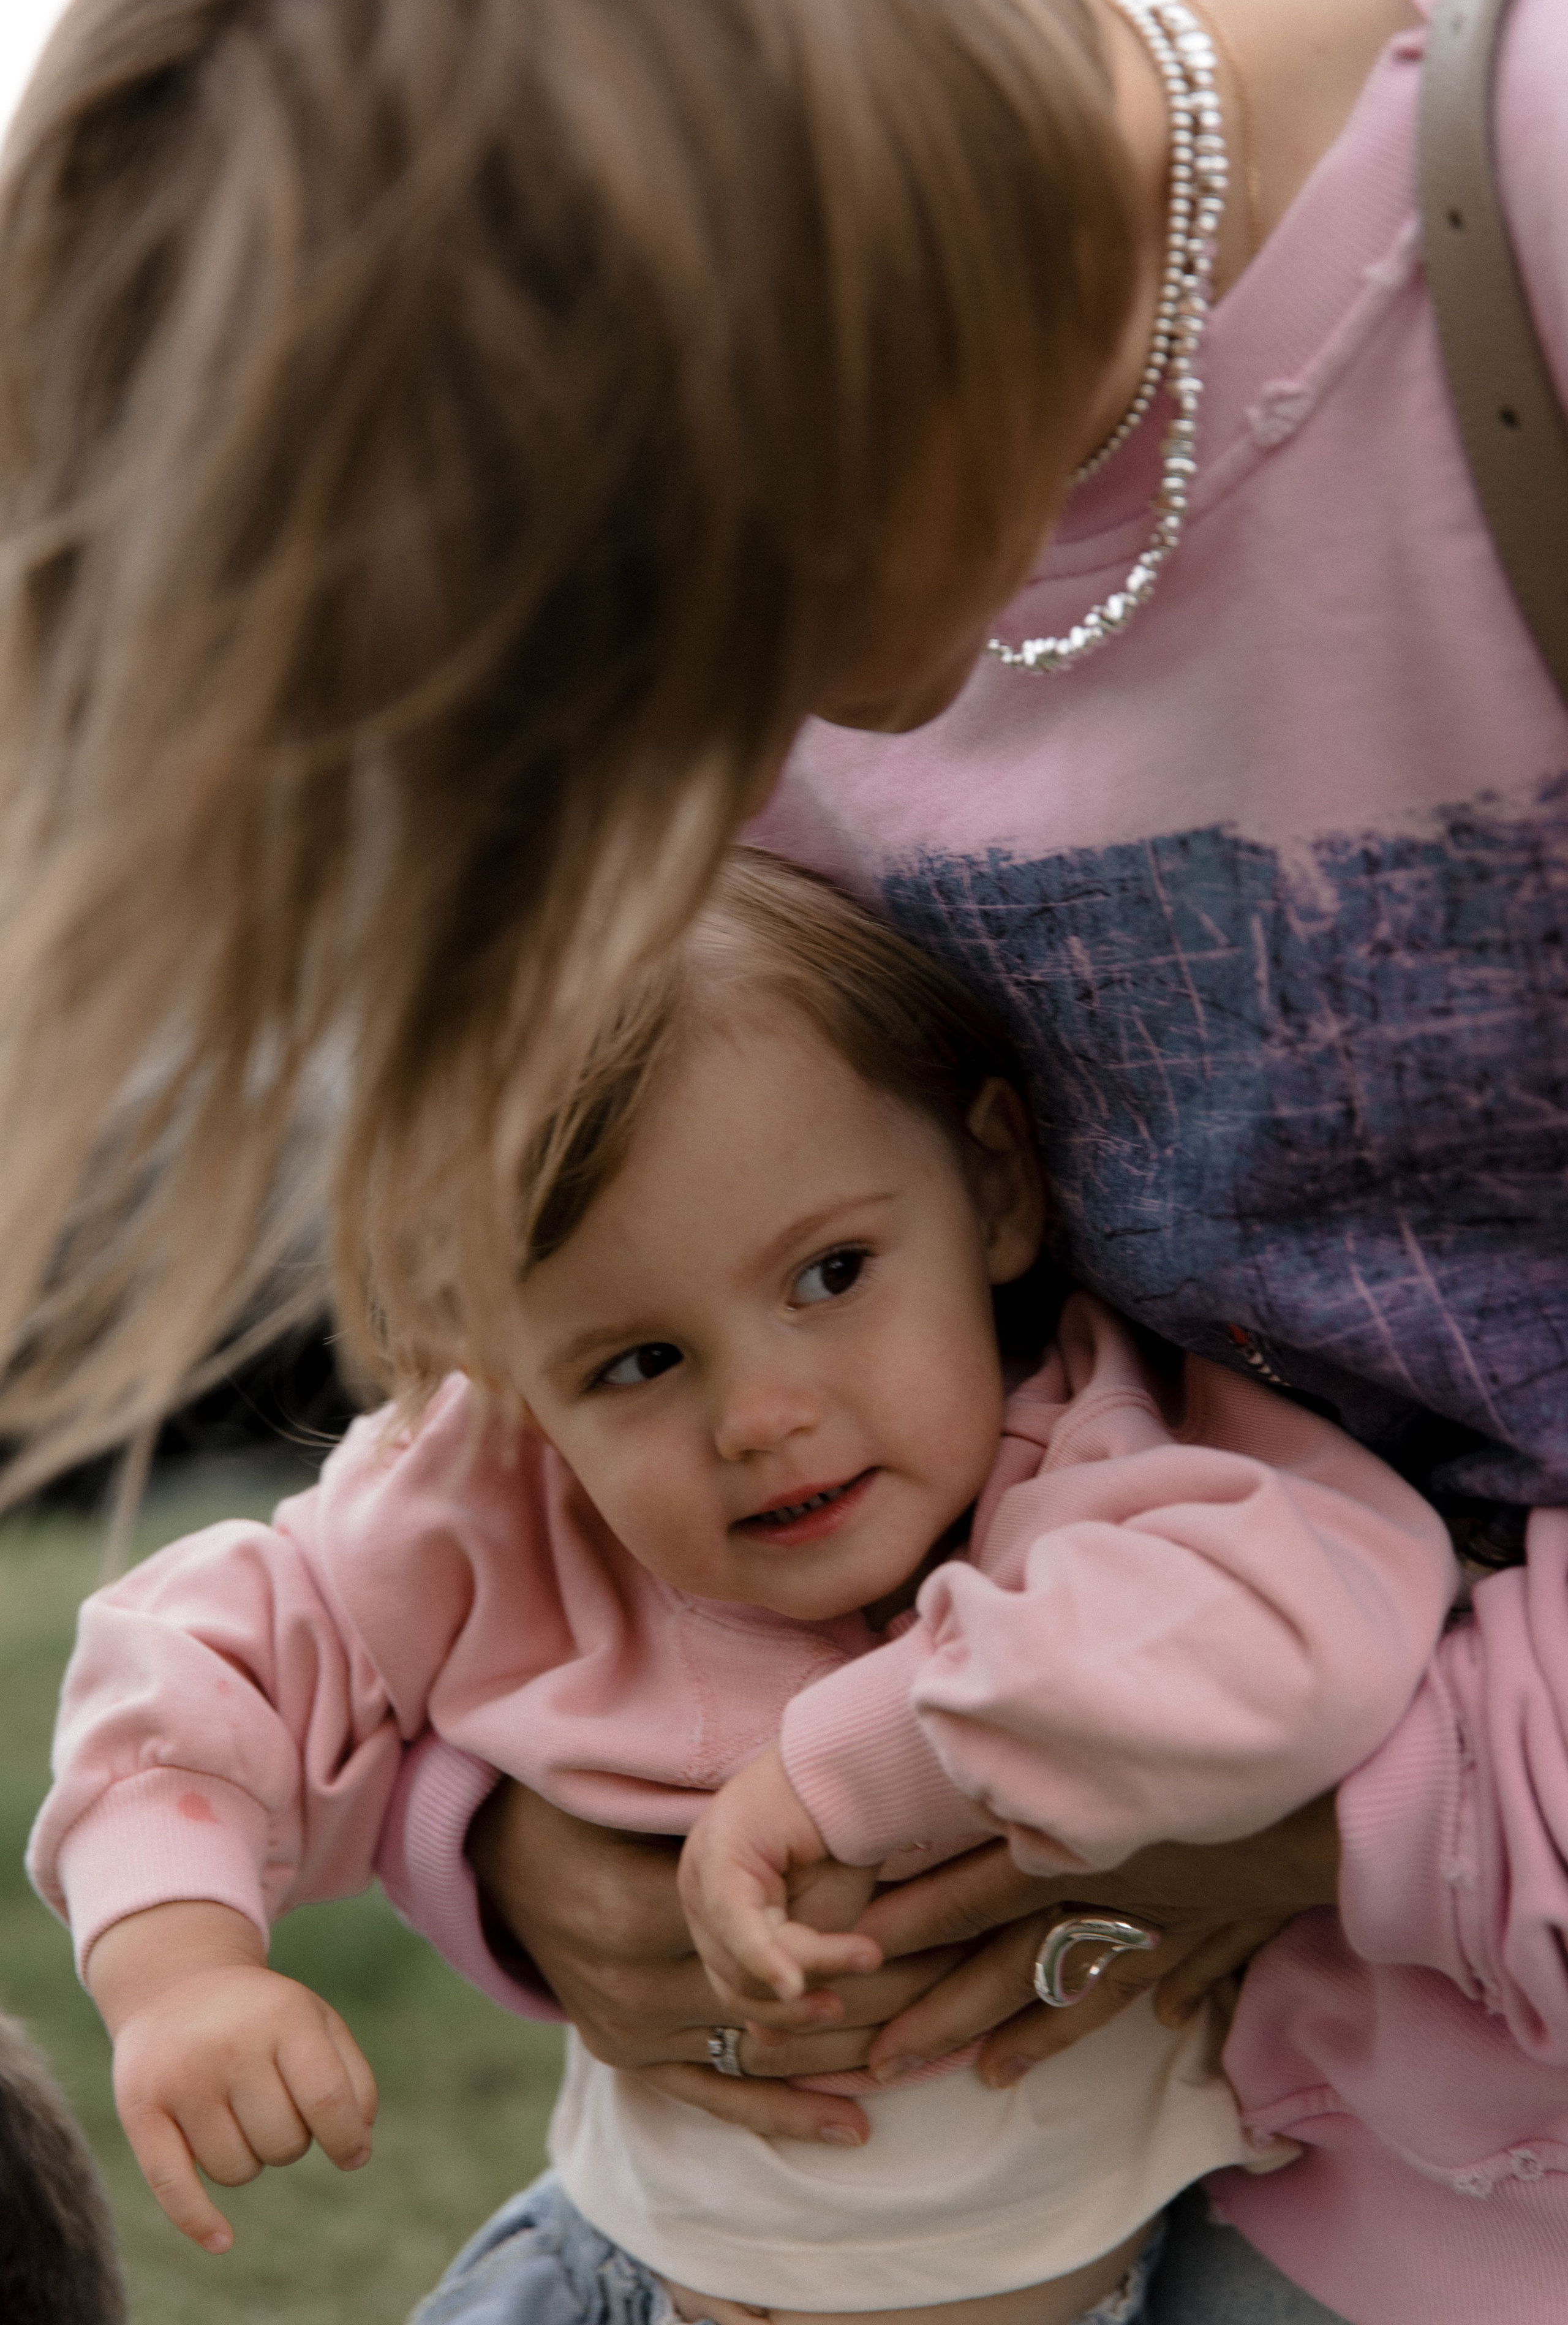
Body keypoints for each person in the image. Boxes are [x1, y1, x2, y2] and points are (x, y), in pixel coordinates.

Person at [0, 0, 1563, 2318]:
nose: (632, 756)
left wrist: (1339, 1823)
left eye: (585, 632)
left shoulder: (1512, 226)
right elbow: (473, 1491)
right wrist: (514, 1846)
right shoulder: (710, 620)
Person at [29, 854, 1457, 2325]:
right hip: (612, 2279)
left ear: (993, 1185)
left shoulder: (1094, 1461)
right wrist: (177, 1966)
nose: (759, 1415)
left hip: (1117, 2281)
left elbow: (1293, 1640)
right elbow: (198, 1654)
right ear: (506, 1375)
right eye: (636, 1363)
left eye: (829, 1273)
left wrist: (856, 1769)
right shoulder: (502, 1510)